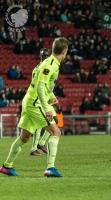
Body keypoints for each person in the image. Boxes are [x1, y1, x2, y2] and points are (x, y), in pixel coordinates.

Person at [0, 37, 69, 177]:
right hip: (35, 103)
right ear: (65, 51)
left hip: (30, 100)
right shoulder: (50, 65)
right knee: (56, 131)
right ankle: (50, 168)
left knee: (24, 137)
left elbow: (42, 86)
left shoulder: (46, 64)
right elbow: (40, 87)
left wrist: (51, 97)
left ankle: (7, 166)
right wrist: (47, 108)